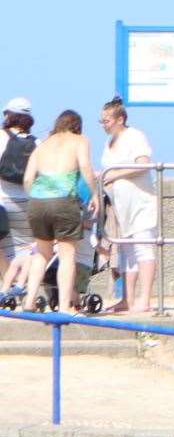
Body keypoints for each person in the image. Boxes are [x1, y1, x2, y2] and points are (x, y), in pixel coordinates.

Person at [22, 110, 97, 312]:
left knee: (41, 253)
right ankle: (64, 307)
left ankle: (29, 301)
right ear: (77, 126)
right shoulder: (80, 140)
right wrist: (96, 195)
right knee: (67, 254)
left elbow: (28, 179)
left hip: (37, 200)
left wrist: (37, 196)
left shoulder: (43, 144)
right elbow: (86, 167)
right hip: (64, 200)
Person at [98, 97, 156, 313]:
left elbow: (144, 165)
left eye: (107, 121)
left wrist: (115, 175)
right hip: (120, 206)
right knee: (126, 253)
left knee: (143, 248)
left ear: (120, 119)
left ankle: (145, 299)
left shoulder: (135, 136)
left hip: (139, 203)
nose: (104, 125)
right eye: (102, 121)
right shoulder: (108, 143)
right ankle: (127, 299)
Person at [0, 98, 37, 285]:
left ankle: (9, 285)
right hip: (28, 202)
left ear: (8, 115)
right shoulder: (36, 141)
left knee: (5, 249)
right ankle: (23, 287)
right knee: (27, 249)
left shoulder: (0, 137)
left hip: (3, 201)